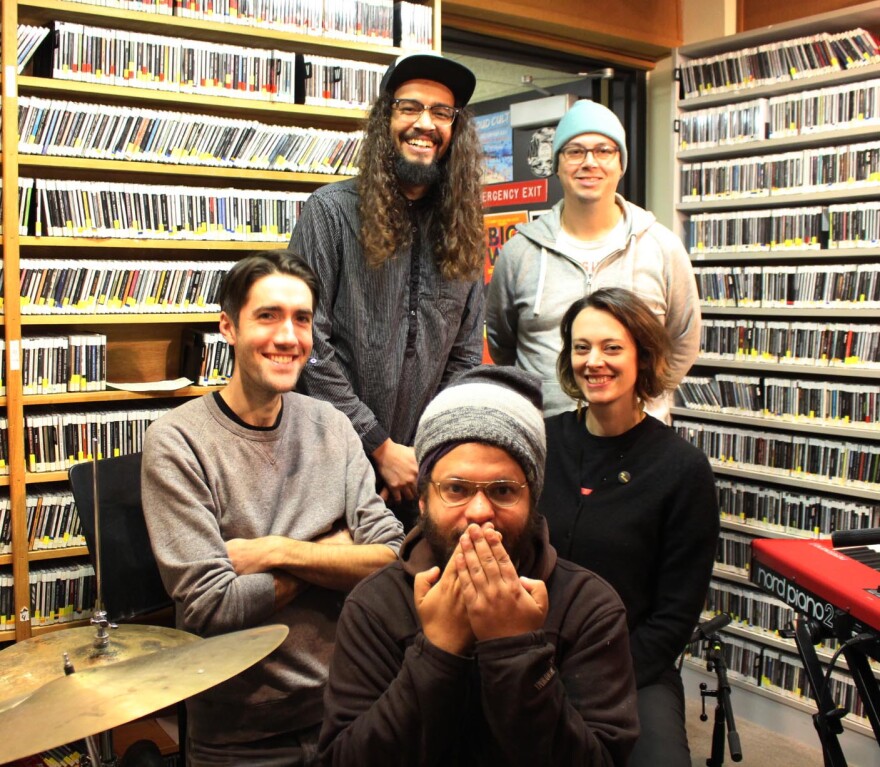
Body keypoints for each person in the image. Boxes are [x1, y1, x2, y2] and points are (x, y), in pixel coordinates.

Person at [141, 250, 405, 767]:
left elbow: (392, 556)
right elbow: (213, 608)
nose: (288, 337)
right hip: (242, 733)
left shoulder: (330, 423)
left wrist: (275, 551)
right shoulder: (177, 442)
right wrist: (334, 552)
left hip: (350, 705)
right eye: (268, 316)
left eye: (301, 319)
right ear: (228, 327)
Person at [319, 365, 639, 767]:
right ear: (422, 501)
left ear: (532, 500)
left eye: (504, 490)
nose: (479, 512)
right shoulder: (375, 606)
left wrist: (516, 652)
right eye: (455, 489)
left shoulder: (588, 607)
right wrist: (436, 652)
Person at [289, 52, 485, 528]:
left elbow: (465, 357)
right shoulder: (330, 213)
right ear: (386, 119)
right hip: (328, 459)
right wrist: (378, 444)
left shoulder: (464, 228)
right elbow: (308, 343)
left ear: (455, 129)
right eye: (410, 107)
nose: (426, 123)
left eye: (442, 113)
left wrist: (424, 451)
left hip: (422, 470)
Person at [539, 288, 719, 767]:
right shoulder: (541, 442)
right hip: (531, 653)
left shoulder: (682, 470)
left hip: (634, 666)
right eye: (581, 348)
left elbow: (674, 617)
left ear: (644, 354)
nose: (593, 361)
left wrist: (599, 679)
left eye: (611, 347)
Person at [486, 99, 701, 420]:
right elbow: (502, 345)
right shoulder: (520, 253)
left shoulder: (662, 247)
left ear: (620, 163)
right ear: (557, 164)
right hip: (544, 437)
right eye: (574, 151)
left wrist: (643, 398)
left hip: (636, 440)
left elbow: (683, 341)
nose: (589, 162)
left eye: (603, 151)